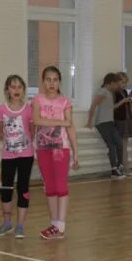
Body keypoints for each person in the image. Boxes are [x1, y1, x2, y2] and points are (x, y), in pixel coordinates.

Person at [32, 65, 78, 240]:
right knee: (49, 187)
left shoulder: (65, 101)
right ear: (43, 82)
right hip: (43, 148)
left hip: (61, 149)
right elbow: (36, 120)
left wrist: (76, 151)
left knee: (61, 186)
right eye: (48, 80)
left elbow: (70, 125)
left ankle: (61, 226)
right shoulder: (37, 100)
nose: (52, 83)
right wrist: (60, 121)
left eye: (55, 80)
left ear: (59, 82)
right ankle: (54, 224)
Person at [0, 74, 34, 239]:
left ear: (23, 90)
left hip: (26, 155)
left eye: (19, 87)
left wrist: (22, 141)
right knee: (6, 189)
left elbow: (33, 131)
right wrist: (10, 139)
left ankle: (20, 225)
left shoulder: (29, 109)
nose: (16, 90)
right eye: (13, 87)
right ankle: (7, 222)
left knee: (23, 188)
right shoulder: (1, 109)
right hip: (8, 155)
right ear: (7, 90)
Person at [86, 73, 129, 179]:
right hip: (102, 123)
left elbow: (111, 107)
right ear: (111, 83)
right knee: (112, 145)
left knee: (119, 143)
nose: (117, 86)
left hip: (110, 122)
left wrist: (123, 101)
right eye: (116, 84)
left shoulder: (109, 93)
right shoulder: (102, 92)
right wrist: (89, 122)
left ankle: (119, 166)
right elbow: (94, 105)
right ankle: (114, 170)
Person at [114, 71, 132, 169]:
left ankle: (125, 164)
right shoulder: (115, 93)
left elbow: (127, 105)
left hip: (126, 119)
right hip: (119, 120)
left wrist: (129, 102)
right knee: (120, 144)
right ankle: (121, 164)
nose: (124, 85)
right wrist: (123, 101)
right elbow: (113, 106)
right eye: (122, 82)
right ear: (117, 82)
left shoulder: (125, 92)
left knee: (125, 143)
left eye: (126, 82)